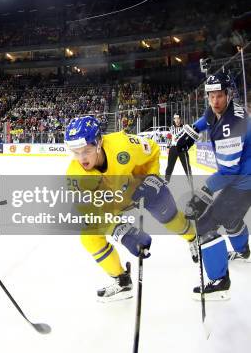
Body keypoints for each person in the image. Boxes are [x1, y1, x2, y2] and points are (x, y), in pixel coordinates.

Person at [65, 116, 195, 302]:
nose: (81, 158)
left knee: (171, 220)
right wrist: (122, 232)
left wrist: (152, 178)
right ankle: (122, 281)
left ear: (99, 142)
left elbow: (153, 149)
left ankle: (193, 238)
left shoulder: (123, 144)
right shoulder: (75, 175)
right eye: (75, 152)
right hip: (114, 201)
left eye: (87, 149)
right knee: (89, 236)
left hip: (143, 188)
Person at [177, 71, 251, 300]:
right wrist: (191, 132)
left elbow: (228, 173)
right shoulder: (218, 109)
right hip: (243, 179)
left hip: (244, 182)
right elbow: (206, 118)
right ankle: (243, 250)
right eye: (211, 96)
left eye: (219, 96)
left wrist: (203, 193)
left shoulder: (233, 124)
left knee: (205, 224)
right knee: (231, 218)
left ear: (228, 94)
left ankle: (220, 281)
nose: (214, 101)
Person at [164, 114, 191, 182]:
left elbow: (189, 137)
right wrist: (168, 147)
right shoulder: (171, 128)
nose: (177, 120)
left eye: (178, 118)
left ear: (180, 119)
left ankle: (190, 180)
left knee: (186, 166)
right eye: (175, 119)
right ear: (174, 120)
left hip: (182, 148)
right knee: (170, 166)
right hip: (173, 148)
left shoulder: (185, 127)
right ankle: (166, 180)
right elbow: (169, 138)